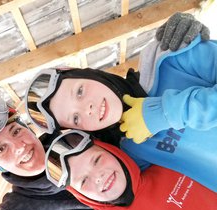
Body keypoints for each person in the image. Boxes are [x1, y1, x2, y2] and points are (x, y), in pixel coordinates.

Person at [25, 12, 217, 192]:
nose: (87, 108)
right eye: (75, 118)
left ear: (87, 73)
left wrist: (164, 113)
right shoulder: (131, 152)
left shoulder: (170, 57)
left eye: (80, 91)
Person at [0, 100, 138, 210]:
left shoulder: (82, 140)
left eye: (17, 131)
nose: (19, 147)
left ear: (30, 130)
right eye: (2, 149)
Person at [45, 129, 217, 210]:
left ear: (111, 151)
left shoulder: (162, 160)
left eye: (97, 160)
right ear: (80, 196)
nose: (98, 176)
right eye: (83, 181)